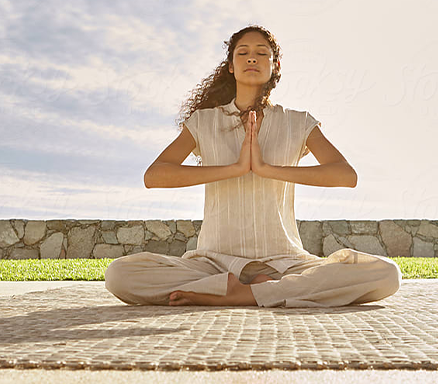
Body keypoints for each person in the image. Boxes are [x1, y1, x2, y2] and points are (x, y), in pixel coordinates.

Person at [103, 25, 402, 307]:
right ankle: (252, 290)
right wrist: (235, 168)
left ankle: (241, 294)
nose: (252, 58)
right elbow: (154, 176)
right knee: (119, 274)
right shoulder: (204, 122)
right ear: (231, 66)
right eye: (243, 52)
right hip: (213, 263)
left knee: (387, 274)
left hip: (285, 263)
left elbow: (345, 175)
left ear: (276, 66)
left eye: (262, 53)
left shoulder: (297, 122)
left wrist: (265, 168)